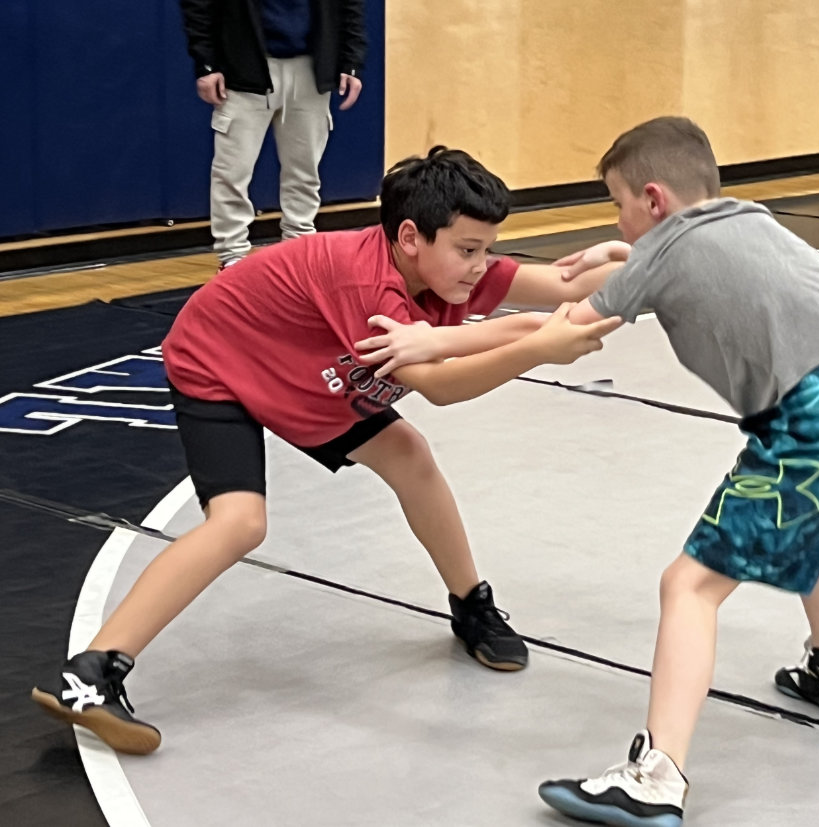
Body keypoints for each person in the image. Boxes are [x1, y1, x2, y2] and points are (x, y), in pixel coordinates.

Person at [30, 147, 621, 755]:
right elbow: (443, 385)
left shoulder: (445, 266)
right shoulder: (369, 287)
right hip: (219, 363)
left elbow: (560, 284)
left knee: (409, 456)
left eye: (487, 249)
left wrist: (663, 258)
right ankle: (92, 671)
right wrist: (539, 346)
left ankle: (471, 606)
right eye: (468, 250)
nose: (480, 265)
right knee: (239, 523)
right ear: (411, 237)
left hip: (306, 366)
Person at [528, 117, 819, 825]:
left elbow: (563, 328)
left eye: (618, 203)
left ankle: (656, 775)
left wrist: (433, 340)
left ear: (653, 199)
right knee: (817, 523)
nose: (618, 220)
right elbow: (688, 264)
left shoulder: (660, 253)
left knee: (688, 584)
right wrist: (627, 252)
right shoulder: (746, 217)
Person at [179, 0, 367, 269]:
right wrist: (206, 63)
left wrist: (351, 61)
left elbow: (350, 5)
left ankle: (299, 253)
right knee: (232, 172)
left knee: (305, 172)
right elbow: (198, 5)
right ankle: (233, 259)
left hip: (311, 69)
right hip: (244, 66)